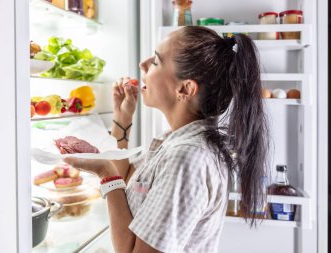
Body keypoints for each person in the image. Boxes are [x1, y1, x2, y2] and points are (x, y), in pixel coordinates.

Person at [64, 26, 269, 253]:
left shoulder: (188, 157)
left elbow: (116, 183)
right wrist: (123, 119)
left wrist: (105, 172)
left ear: (185, 88)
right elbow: (128, 182)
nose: (143, 64)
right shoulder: (174, 140)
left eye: (156, 62)